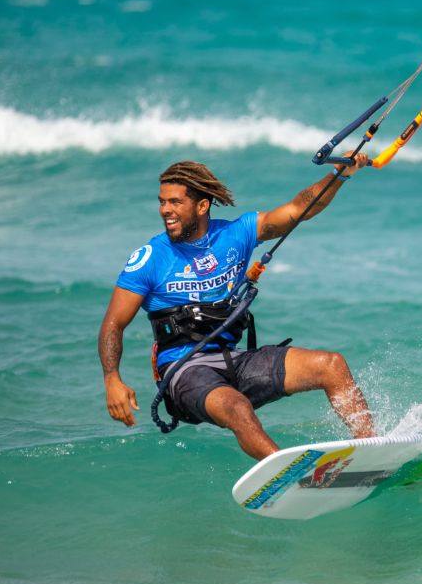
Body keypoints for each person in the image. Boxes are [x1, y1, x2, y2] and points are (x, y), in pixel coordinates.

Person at [98, 157, 376, 461]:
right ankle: (290, 472)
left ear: (202, 206)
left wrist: (340, 174)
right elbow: (113, 324)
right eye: (162, 202)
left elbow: (299, 209)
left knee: (331, 365)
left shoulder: (236, 234)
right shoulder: (150, 258)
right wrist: (112, 378)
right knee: (236, 406)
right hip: (184, 371)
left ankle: (372, 453)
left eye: (175, 202)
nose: (165, 210)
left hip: (235, 360)